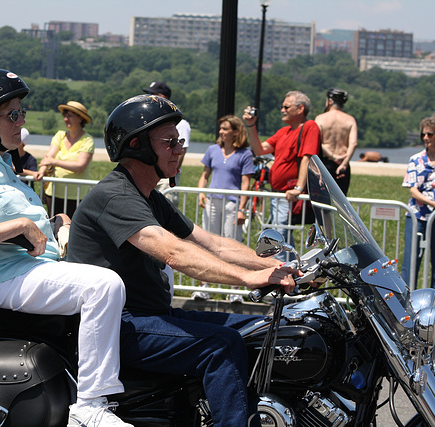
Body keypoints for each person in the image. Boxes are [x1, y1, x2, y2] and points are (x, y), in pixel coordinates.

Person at [67, 94, 299, 427]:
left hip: (153, 316)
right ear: (137, 146)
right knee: (222, 344)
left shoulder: (151, 197)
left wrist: (275, 267)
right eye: (170, 142)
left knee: (259, 329)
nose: (180, 149)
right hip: (119, 326)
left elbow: (213, 244)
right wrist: (249, 279)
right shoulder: (116, 195)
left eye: (181, 141)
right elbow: (174, 252)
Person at [0, 68, 131, 427]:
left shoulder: (4, 165)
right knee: (104, 286)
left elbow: (29, 229)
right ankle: (90, 406)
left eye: (21, 112)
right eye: (11, 114)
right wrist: (20, 225)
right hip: (4, 278)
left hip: (34, 270)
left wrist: (59, 226)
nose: (20, 122)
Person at [244, 91, 321, 259]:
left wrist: (298, 188)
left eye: (286, 107)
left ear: (300, 109)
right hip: (278, 195)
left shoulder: (310, 127)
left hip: (288, 195)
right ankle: (291, 277)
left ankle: (283, 276)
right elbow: (260, 150)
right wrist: (251, 125)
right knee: (281, 239)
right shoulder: (283, 131)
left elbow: (307, 158)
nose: (282, 110)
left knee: (278, 242)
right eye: (282, 107)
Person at [193, 115, 254, 301]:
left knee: (232, 243)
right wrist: (201, 192)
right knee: (208, 241)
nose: (221, 132)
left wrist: (243, 207)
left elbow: (245, 183)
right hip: (212, 200)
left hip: (233, 203)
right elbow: (205, 175)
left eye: (226, 128)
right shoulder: (212, 150)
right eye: (221, 128)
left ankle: (234, 288)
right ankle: (205, 286)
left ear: (236, 132)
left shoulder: (245, 154)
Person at [401, 113, 435, 294]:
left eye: (430, 134)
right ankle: (405, 302)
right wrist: (433, 203)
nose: (426, 138)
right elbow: (413, 190)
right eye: (423, 134)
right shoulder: (416, 159)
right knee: (411, 263)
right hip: (417, 216)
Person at [38, 101, 94, 217]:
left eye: (70, 116)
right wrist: (41, 171)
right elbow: (49, 156)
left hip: (77, 195)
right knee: (53, 227)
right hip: (54, 192)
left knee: (73, 229)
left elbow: (80, 166)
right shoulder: (60, 135)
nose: (66, 119)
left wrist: (54, 162)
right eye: (65, 116)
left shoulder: (88, 140)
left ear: (80, 118)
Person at [143, 81, 191, 205]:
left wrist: (169, 172)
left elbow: (181, 152)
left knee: (166, 212)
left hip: (166, 178)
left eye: (152, 94)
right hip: (149, 175)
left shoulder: (182, 124)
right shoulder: (151, 122)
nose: (148, 97)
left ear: (163, 97)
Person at [314, 88, 358, 195]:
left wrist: (333, 157)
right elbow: (353, 143)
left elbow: (317, 141)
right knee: (341, 200)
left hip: (325, 162)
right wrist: (344, 163)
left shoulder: (320, 118)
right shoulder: (350, 119)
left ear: (329, 101)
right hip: (343, 164)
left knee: (322, 199)